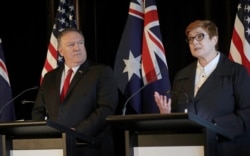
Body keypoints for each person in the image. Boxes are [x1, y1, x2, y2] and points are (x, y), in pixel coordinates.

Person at [154, 20, 250, 156]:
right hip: (189, 148)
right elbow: (179, 115)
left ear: (214, 40)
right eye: (191, 39)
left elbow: (246, 113)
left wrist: (213, 126)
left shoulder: (236, 72)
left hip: (225, 148)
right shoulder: (182, 75)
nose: (194, 42)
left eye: (200, 36)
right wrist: (167, 115)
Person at [32, 28, 119, 156]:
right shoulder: (50, 77)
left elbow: (106, 109)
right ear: (60, 51)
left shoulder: (101, 72)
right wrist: (46, 136)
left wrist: (76, 132)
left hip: (90, 148)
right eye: (71, 44)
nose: (77, 48)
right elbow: (38, 110)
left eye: (80, 43)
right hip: (56, 148)